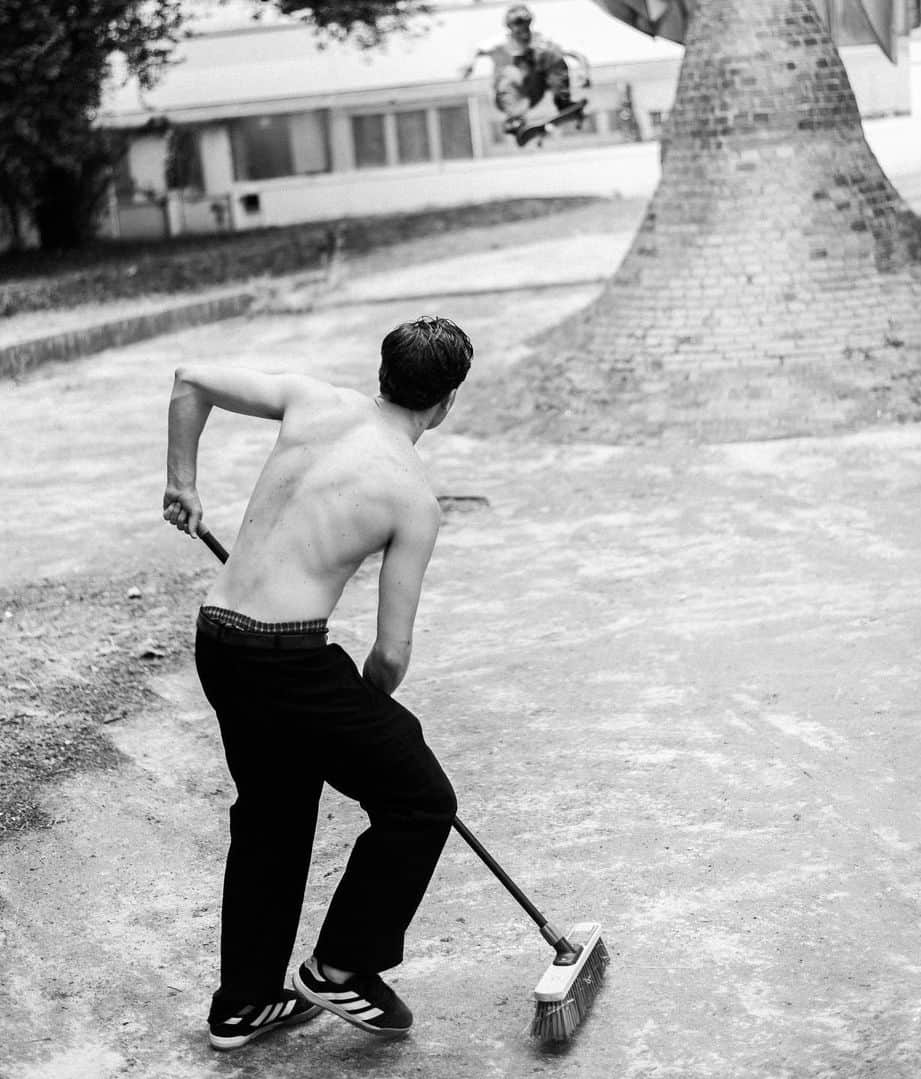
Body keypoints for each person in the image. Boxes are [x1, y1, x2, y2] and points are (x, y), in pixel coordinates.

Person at [162, 315, 473, 1051]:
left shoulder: (311, 400)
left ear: (382, 373)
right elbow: (390, 657)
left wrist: (182, 482)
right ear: (447, 401)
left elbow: (190, 380)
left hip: (220, 638)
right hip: (287, 659)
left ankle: (244, 1003)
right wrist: (365, 705)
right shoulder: (412, 497)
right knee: (420, 798)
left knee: (273, 814)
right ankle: (342, 965)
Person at [460, 3, 585, 139]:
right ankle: (514, 119)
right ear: (510, 28)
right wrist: (469, 64)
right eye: (518, 28)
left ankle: (563, 101)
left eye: (526, 26)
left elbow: (572, 53)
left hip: (533, 92)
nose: (524, 32)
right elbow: (476, 49)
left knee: (551, 53)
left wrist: (584, 71)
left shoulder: (540, 40)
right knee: (511, 72)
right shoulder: (501, 43)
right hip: (507, 97)